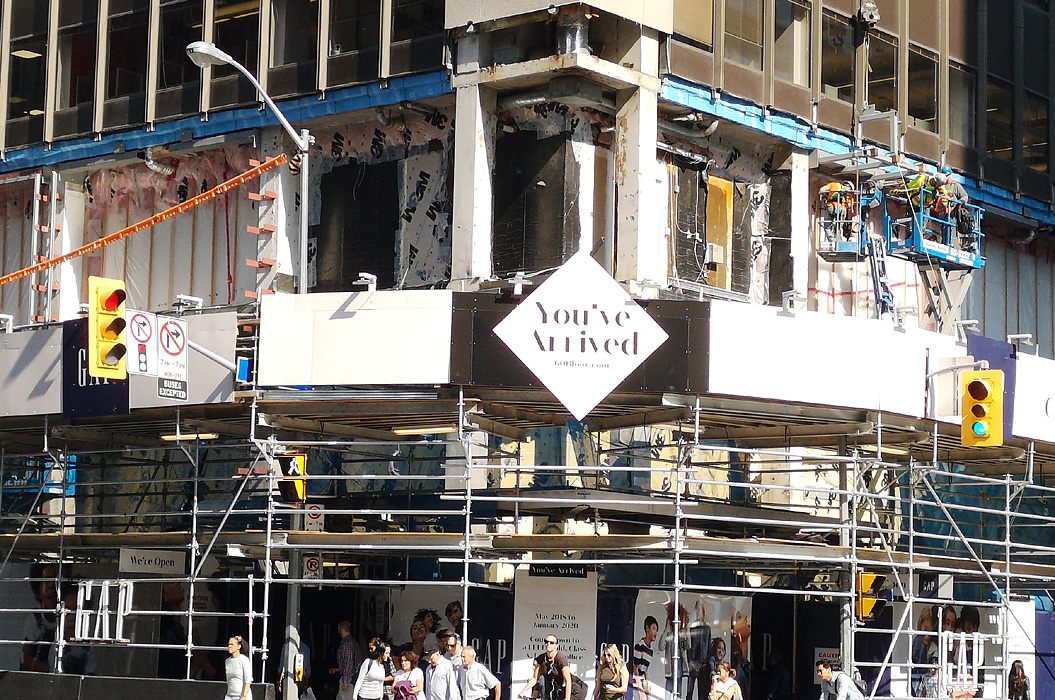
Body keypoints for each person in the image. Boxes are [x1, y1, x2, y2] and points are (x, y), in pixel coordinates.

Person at [22, 562, 58, 672]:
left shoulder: (67, 617)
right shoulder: (34, 620)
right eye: (46, 581)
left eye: (55, 580)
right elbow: (27, 659)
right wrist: (49, 669)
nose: (51, 585)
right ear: (38, 592)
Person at [518, 635, 572, 700]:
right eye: (546, 642)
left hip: (559, 692)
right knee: (541, 681)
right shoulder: (541, 658)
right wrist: (524, 691)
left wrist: (567, 698)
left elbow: (568, 680)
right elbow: (535, 678)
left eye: (551, 643)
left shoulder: (561, 659)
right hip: (546, 692)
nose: (548, 644)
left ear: (556, 645)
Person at [659, 602, 690, 699]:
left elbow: (688, 646)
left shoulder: (682, 634)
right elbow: (661, 647)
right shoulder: (669, 634)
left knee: (678, 694)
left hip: (679, 670)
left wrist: (686, 632)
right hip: (670, 671)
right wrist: (666, 629)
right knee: (668, 694)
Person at [687, 601, 712, 700]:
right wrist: (690, 661)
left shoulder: (707, 628)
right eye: (697, 610)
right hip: (693, 663)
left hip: (703, 664)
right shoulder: (692, 627)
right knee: (689, 692)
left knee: (702, 693)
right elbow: (689, 645)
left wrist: (706, 662)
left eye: (700, 610)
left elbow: (708, 646)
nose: (698, 612)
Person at [333, 620, 363, 700]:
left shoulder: (347, 644)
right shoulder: (353, 643)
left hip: (349, 679)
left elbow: (348, 661)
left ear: (341, 630)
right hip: (351, 677)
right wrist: (337, 669)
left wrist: (345, 681)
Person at [632, 617, 658, 700]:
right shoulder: (640, 646)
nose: (655, 632)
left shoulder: (650, 650)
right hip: (636, 679)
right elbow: (635, 668)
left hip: (643, 679)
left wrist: (648, 681)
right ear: (647, 629)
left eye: (656, 630)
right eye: (653, 629)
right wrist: (640, 690)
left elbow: (645, 668)